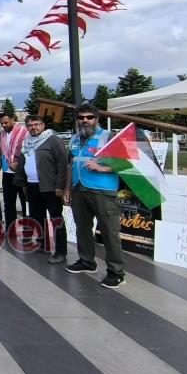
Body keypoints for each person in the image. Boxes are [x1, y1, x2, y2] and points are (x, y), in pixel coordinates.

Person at [63, 103, 126, 289]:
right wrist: (67, 189)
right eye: (81, 117)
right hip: (79, 189)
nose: (85, 120)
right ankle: (86, 261)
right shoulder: (74, 138)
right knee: (82, 228)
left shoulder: (108, 137)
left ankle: (116, 272)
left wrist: (103, 168)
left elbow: (127, 164)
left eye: (89, 117)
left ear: (96, 119)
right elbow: (71, 165)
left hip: (103, 191)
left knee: (109, 232)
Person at [14, 115, 68, 263]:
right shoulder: (27, 142)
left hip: (50, 186)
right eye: (30, 125)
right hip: (32, 185)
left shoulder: (52, 139)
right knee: (38, 217)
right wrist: (24, 183)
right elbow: (23, 163)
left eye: (37, 124)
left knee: (56, 219)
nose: (34, 127)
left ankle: (61, 252)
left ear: (43, 125)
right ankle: (43, 244)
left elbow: (63, 163)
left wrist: (60, 186)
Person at [0, 112, 29, 238]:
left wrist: (19, 164)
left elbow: (29, 152)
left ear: (13, 120)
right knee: (8, 203)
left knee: (25, 203)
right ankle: (10, 230)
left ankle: (27, 231)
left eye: (6, 122)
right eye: (2, 124)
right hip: (7, 173)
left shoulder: (25, 132)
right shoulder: (1, 135)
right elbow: (2, 153)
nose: (4, 125)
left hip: (22, 173)